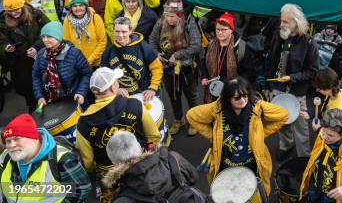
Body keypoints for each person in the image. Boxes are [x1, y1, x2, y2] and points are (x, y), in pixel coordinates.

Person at [187, 77, 288, 198]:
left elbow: (283, 115)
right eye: (237, 98)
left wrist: (261, 134)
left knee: (255, 196)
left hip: (253, 166)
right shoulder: (217, 108)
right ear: (228, 98)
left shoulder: (257, 106)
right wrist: (212, 135)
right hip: (227, 167)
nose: (243, 100)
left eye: (245, 95)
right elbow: (191, 116)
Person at [76, 67, 161, 203]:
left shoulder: (83, 123)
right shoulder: (135, 105)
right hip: (141, 167)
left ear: (93, 91)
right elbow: (154, 136)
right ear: (114, 87)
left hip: (110, 176)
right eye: (116, 82)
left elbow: (88, 161)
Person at [265, 4, 319, 159]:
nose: (281, 25)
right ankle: (286, 145)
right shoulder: (279, 36)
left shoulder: (309, 43)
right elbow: (271, 60)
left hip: (298, 92)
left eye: (286, 22)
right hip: (278, 89)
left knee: (300, 128)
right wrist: (267, 85)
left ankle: (304, 158)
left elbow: (313, 72)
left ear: (296, 22)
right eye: (281, 21)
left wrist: (292, 78)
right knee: (282, 122)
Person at [0, 114, 92, 202]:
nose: (11, 145)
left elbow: (82, 189)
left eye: (17, 139)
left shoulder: (61, 159)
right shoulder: (6, 157)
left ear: (33, 138)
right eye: (8, 141)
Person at [149, 0, 201, 136]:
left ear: (179, 14)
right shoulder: (161, 22)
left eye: (172, 16)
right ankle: (178, 120)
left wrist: (177, 55)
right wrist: (156, 54)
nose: (169, 19)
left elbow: (196, 46)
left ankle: (194, 121)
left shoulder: (189, 22)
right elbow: (152, 41)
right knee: (173, 96)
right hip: (167, 69)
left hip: (186, 68)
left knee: (192, 96)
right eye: (167, 15)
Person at [102, 131, 200, 202]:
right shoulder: (172, 158)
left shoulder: (123, 199)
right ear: (140, 147)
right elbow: (194, 177)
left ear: (114, 163)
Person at [0, 0, 49, 111]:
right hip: (20, 63)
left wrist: (37, 46)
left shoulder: (36, 14)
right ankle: (32, 107)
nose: (14, 13)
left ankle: (50, 104)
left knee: (46, 84)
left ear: (21, 6)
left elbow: (48, 30)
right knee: (28, 90)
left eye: (16, 9)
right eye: (10, 11)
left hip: (41, 57)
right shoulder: (2, 22)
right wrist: (6, 48)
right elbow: (1, 42)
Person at [32, 21, 91, 108]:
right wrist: (39, 96)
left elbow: (87, 73)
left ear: (58, 37)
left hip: (74, 100)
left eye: (49, 36)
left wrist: (81, 92)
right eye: (43, 37)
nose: (45, 40)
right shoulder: (41, 54)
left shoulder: (74, 53)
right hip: (52, 102)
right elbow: (36, 77)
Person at [101, 17, 163, 100]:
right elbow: (104, 75)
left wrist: (153, 88)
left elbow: (157, 68)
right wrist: (115, 89)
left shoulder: (144, 47)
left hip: (144, 94)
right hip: (123, 97)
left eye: (124, 32)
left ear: (130, 31)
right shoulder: (108, 51)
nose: (120, 35)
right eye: (117, 31)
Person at [203, 12, 263, 93]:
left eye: (224, 30)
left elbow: (249, 73)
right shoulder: (211, 45)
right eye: (218, 29)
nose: (220, 32)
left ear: (231, 30)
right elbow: (204, 62)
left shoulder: (241, 48)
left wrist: (234, 84)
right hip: (213, 90)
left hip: (232, 92)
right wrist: (205, 77)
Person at [63, 0, 107, 69]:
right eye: (74, 6)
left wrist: (89, 60)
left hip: (95, 63)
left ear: (86, 6)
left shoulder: (95, 18)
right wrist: (77, 61)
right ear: (71, 8)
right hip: (77, 63)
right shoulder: (67, 21)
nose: (78, 8)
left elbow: (102, 42)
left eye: (81, 5)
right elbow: (67, 43)